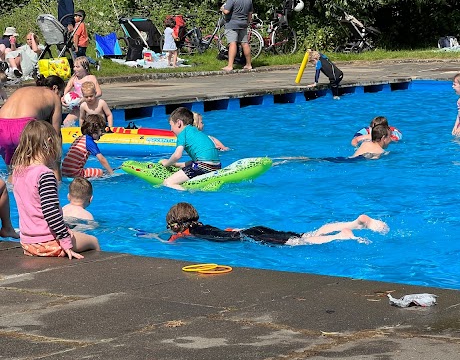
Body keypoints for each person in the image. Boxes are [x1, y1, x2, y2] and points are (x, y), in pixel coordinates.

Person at [12, 121, 99, 258]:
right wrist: (65, 241)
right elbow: (51, 212)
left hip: (27, 243)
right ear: (49, 142)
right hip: (48, 243)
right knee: (94, 241)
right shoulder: (45, 174)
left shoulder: (18, 172)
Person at [152, 202, 389, 245]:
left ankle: (341, 236)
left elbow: (171, 240)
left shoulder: (183, 233)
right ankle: (356, 222)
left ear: (176, 223)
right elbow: (224, 231)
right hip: (249, 229)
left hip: (250, 237)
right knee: (304, 234)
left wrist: (154, 236)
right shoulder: (203, 225)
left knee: (297, 244)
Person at [0, 75, 64, 166]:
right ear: (55, 88)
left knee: (12, 169)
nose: (61, 98)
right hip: (23, 127)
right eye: (62, 94)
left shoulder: (22, 90)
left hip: (1, 127)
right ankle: (57, 179)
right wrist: (57, 164)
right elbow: (56, 135)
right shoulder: (54, 96)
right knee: (34, 166)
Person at [160, 107, 221, 190]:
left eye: (171, 125)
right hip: (216, 166)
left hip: (203, 166)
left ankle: (188, 195)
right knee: (193, 163)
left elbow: (177, 155)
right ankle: (177, 165)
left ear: (178, 123)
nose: (171, 130)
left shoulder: (182, 134)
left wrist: (167, 164)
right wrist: (175, 164)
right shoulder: (197, 132)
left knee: (168, 182)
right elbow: (200, 159)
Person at [62, 114, 114, 178]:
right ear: (93, 130)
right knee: (100, 172)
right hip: (74, 173)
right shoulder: (89, 142)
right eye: (101, 130)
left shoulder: (79, 138)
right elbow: (101, 159)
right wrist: (111, 172)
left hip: (63, 170)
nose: (102, 133)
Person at [220, 0, 253, 72]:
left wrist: (222, 8)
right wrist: (247, 22)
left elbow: (226, 11)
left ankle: (230, 66)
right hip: (243, 24)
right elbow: (250, 13)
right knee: (245, 43)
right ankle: (249, 64)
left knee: (233, 43)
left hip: (232, 24)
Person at [62, 56, 102, 126]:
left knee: (91, 125)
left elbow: (99, 93)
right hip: (78, 107)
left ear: (85, 68)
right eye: (74, 66)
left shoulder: (91, 78)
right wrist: (63, 98)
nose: (74, 69)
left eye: (77, 67)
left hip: (90, 106)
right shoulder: (74, 78)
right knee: (66, 122)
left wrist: (85, 98)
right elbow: (67, 88)